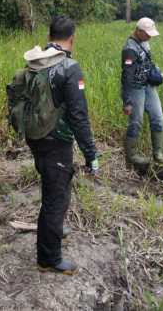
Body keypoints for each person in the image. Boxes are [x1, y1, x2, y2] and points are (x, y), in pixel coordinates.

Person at [23, 16, 99, 275]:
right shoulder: (69, 68)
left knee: (55, 188)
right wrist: (91, 154)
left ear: (49, 35)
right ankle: (48, 259)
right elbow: (79, 116)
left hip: (35, 137)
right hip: (57, 142)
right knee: (55, 199)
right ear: (72, 38)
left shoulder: (35, 61)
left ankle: (55, 231)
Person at [120, 17, 163, 171]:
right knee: (136, 121)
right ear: (138, 31)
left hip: (148, 86)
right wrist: (126, 101)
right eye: (147, 34)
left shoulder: (145, 42)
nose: (150, 36)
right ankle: (131, 157)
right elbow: (126, 77)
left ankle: (158, 153)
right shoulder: (129, 50)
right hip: (135, 88)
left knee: (158, 117)